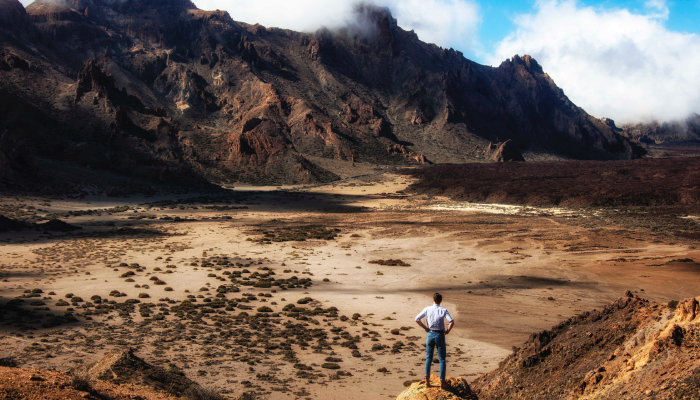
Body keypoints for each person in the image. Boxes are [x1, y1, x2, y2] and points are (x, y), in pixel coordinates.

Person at [415, 292, 454, 388]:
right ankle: (442, 382)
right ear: (440, 301)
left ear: (433, 300)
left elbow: (417, 319)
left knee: (429, 358)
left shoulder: (427, 309)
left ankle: (427, 381)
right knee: (442, 360)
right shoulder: (443, 310)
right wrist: (447, 331)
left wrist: (425, 328)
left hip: (430, 334)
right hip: (440, 335)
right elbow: (451, 321)